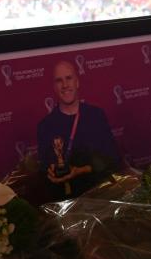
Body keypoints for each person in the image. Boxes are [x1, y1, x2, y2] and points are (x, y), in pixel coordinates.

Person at [36, 60, 119, 200]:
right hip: (65, 201)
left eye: (69, 78)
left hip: (101, 196)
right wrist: (50, 173)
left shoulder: (96, 115)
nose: (65, 85)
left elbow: (113, 158)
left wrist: (80, 170)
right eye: (59, 80)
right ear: (54, 87)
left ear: (77, 82)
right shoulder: (45, 126)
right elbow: (45, 169)